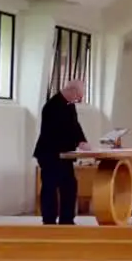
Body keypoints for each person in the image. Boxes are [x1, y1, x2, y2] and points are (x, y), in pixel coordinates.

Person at [33, 79, 90, 225]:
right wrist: (75, 143)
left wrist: (82, 140)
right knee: (50, 188)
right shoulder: (51, 106)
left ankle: (67, 220)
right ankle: (49, 221)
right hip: (50, 154)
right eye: (78, 96)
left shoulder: (69, 105)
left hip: (64, 156)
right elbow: (57, 132)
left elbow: (75, 125)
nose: (79, 100)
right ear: (71, 90)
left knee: (70, 186)